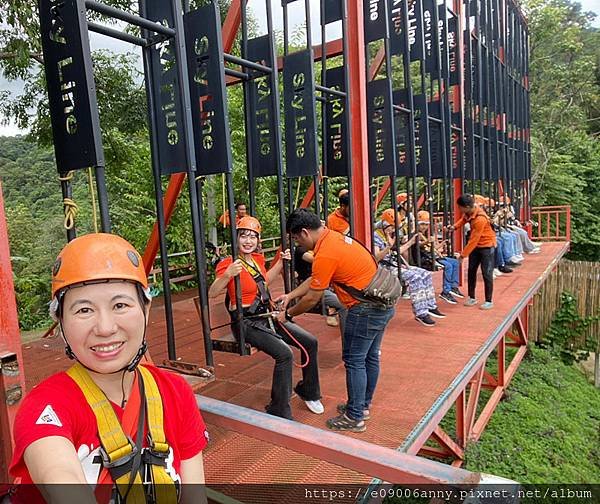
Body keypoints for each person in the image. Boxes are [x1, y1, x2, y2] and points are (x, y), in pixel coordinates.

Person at [9, 233, 208, 504]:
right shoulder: (46, 407)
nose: (105, 328)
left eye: (120, 305)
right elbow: (59, 474)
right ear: (62, 323)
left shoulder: (175, 393)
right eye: (83, 310)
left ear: (145, 310)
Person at [276, 209, 395, 433]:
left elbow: (313, 297)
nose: (298, 244)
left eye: (296, 239)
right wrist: (291, 296)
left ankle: (355, 417)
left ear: (304, 233)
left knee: (354, 360)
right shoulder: (334, 238)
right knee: (370, 357)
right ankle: (362, 406)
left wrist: (288, 314)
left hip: (365, 309)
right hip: (382, 302)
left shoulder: (326, 252)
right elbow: (317, 278)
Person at [209, 216, 322, 420]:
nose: (248, 241)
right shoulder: (228, 263)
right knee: (285, 354)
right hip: (245, 322)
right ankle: (279, 408)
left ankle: (309, 391)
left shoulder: (257, 260)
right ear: (236, 238)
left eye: (253, 237)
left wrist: (280, 263)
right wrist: (227, 275)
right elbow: (212, 293)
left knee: (310, 342)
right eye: (244, 236)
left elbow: (264, 281)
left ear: (258, 240)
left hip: (265, 315)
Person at [374, 209, 446, 326]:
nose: (393, 230)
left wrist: (411, 242)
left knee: (425, 273)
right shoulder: (376, 236)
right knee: (415, 277)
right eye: (391, 227)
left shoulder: (389, 235)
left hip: (394, 263)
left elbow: (397, 252)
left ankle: (430, 305)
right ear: (385, 224)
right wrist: (388, 247)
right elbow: (377, 257)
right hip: (384, 267)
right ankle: (420, 313)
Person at [449, 194, 497, 310]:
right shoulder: (470, 212)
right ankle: (472, 297)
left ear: (466, 206)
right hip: (476, 247)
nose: (459, 210)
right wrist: (454, 227)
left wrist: (462, 255)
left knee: (487, 273)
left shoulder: (480, 219)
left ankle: (488, 300)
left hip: (487, 246)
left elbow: (473, 240)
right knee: (471, 271)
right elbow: (463, 219)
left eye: (460, 207)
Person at [414, 211, 464, 305]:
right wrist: (426, 242)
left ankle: (453, 286)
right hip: (425, 259)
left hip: (432, 255)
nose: (424, 227)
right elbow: (416, 245)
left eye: (426, 224)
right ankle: (446, 291)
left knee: (455, 262)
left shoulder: (424, 235)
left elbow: (430, 248)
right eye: (422, 224)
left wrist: (441, 244)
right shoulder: (415, 234)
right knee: (448, 266)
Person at [293, 244, 347, 330]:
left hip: (320, 282)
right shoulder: (300, 250)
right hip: (309, 284)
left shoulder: (315, 250)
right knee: (341, 302)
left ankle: (332, 311)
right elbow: (314, 260)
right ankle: (331, 312)